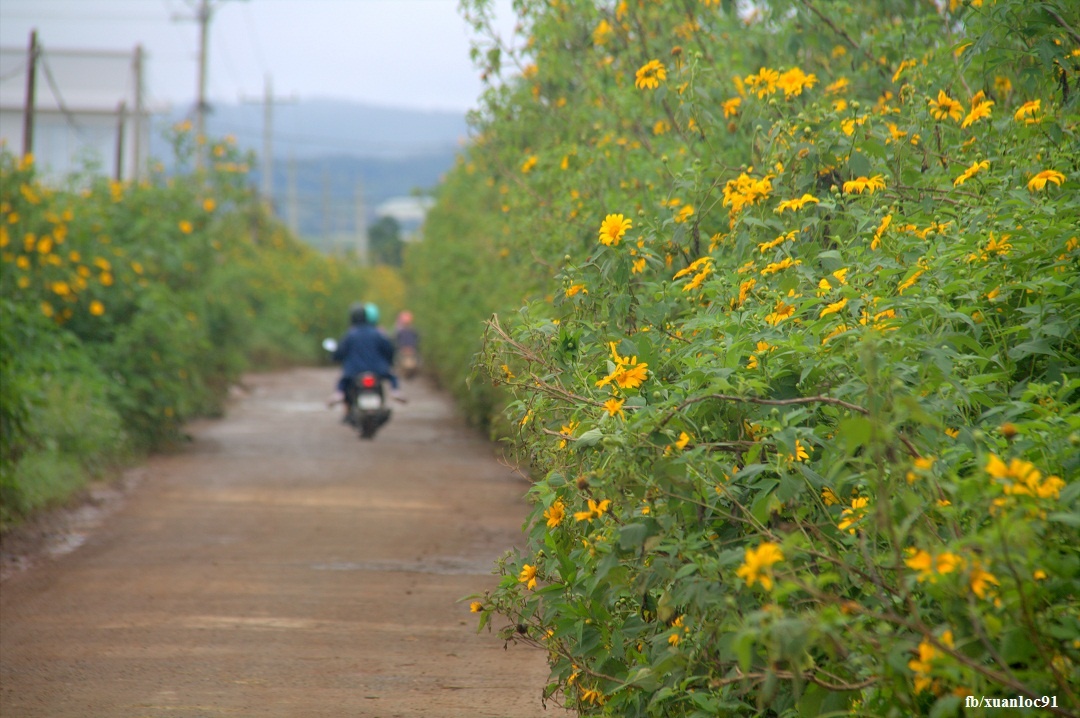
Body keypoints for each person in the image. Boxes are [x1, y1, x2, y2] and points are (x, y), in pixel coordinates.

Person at [328, 303, 404, 420]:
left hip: (354, 371)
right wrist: (389, 362)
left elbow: (340, 353)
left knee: (342, 382)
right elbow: (389, 349)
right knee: (392, 377)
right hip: (378, 370)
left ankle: (339, 394)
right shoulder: (378, 333)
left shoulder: (350, 335)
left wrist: (334, 357)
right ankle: (395, 391)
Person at [394, 311, 420, 379]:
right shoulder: (413, 331)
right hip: (408, 351)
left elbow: (396, 341)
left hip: (407, 351)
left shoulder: (400, 331)